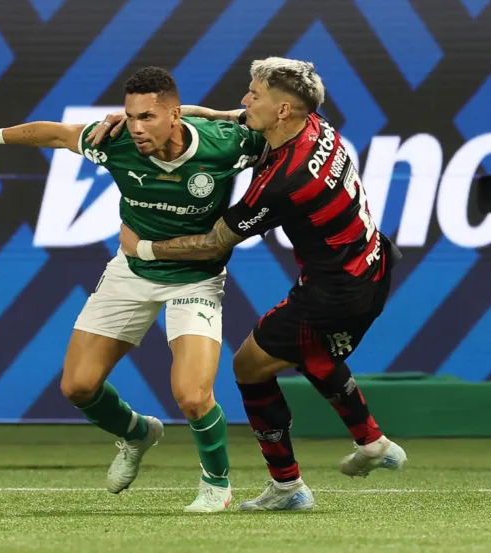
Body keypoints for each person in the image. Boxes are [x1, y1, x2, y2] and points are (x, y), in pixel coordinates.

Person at [0, 66, 266, 512]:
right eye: (131, 116)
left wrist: (218, 114)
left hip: (196, 278)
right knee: (77, 387)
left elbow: (277, 131)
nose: (136, 128)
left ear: (175, 115)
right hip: (131, 272)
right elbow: (56, 135)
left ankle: (217, 483)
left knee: (193, 396)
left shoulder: (225, 145)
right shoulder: (112, 141)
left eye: (148, 118)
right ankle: (137, 433)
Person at [106, 57, 407, 512]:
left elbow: (213, 242)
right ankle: (372, 442)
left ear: (282, 109)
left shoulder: (286, 181)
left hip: (334, 290)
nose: (245, 100)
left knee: (250, 366)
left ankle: (290, 487)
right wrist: (166, 117)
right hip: (372, 265)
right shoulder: (315, 126)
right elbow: (231, 117)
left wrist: (144, 249)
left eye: (254, 94)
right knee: (308, 352)